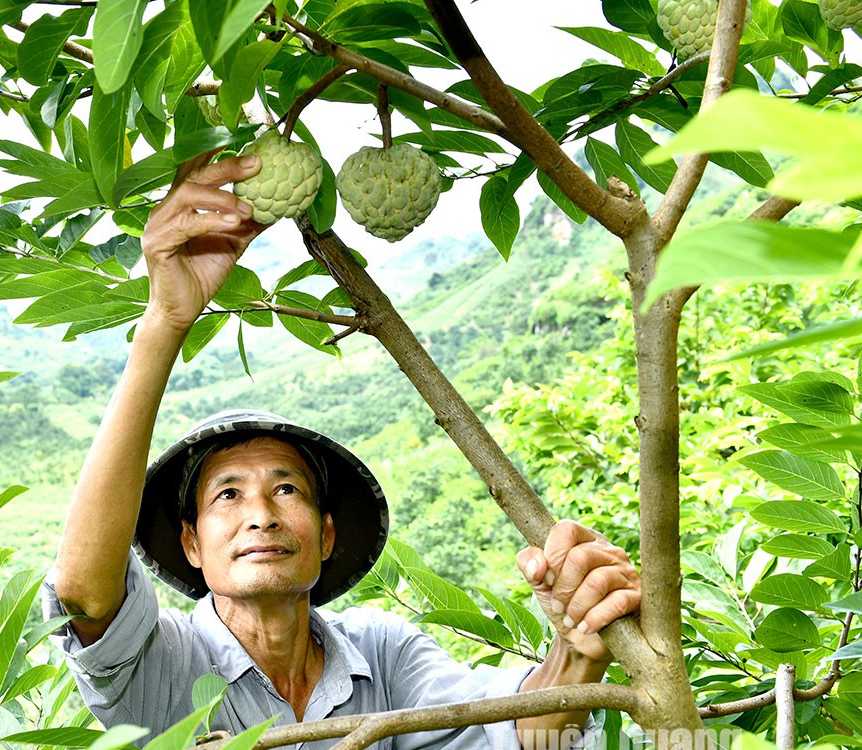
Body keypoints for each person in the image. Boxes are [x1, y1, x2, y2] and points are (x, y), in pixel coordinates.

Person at [44, 150, 641, 750]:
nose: (262, 514)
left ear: (326, 535)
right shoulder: (165, 666)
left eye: (286, 489)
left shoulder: (383, 655)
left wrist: (577, 652)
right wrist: (165, 321)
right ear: (192, 543)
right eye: (228, 494)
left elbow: (515, 739)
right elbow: (84, 596)